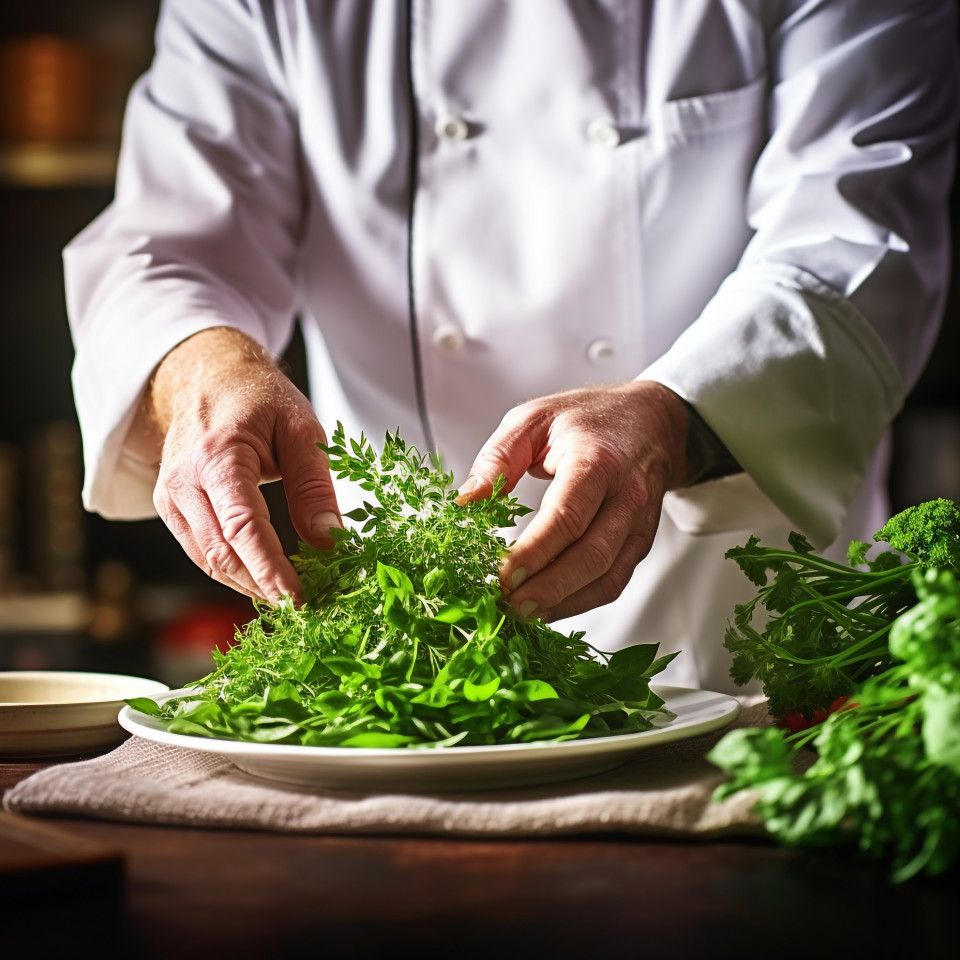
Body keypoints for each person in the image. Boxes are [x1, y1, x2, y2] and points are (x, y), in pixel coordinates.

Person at [65, 0, 959, 694]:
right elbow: (169, 238)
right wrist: (201, 373)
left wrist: (680, 415)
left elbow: (859, 236)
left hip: (745, 648)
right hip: (395, 667)